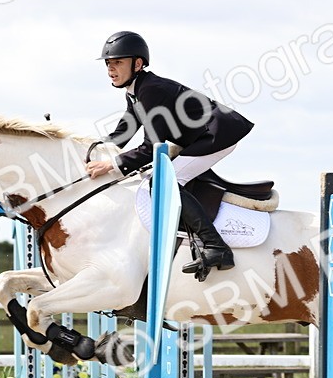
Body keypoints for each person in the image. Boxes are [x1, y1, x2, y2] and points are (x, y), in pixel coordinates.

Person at [85, 31, 253, 279]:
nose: (111, 69)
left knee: (165, 183)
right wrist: (90, 150)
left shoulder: (151, 91)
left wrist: (112, 165)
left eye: (118, 62)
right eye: (108, 63)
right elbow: (124, 132)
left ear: (138, 64)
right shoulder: (136, 90)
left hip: (217, 135)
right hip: (204, 135)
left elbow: (152, 147)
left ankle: (217, 247)